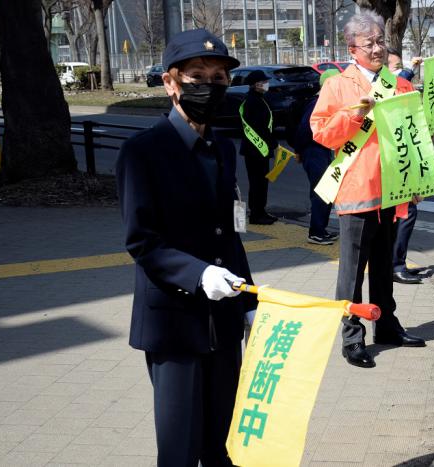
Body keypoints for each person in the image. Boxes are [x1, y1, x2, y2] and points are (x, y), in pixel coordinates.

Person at [115, 29, 257, 467]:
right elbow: (143, 242)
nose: (208, 87)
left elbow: (229, 233)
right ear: (170, 82)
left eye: (218, 79)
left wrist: (249, 298)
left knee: (224, 444)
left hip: (224, 317)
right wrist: (198, 274)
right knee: (178, 450)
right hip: (174, 324)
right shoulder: (143, 153)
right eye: (196, 75)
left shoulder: (224, 148)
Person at [311, 10, 425, 369]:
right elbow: (321, 132)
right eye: (369, 43)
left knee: (383, 267)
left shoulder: (399, 83)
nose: (377, 48)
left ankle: (387, 326)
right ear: (352, 48)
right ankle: (351, 336)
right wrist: (357, 112)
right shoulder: (338, 85)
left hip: (392, 189)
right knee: (352, 272)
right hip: (357, 190)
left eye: (380, 41)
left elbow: (412, 134)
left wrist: (417, 180)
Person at [386, 48, 427, 285]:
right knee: (405, 213)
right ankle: (395, 265)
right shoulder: (387, 90)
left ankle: (396, 262)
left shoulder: (399, 87)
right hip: (393, 164)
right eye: (396, 66)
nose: (401, 71)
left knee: (406, 213)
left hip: (403, 160)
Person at [291, 69, 341, 245]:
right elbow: (304, 130)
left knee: (326, 191)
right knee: (321, 191)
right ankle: (316, 233)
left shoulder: (326, 102)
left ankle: (321, 230)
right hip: (314, 151)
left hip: (321, 150)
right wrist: (299, 151)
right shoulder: (317, 104)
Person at [240, 69, 278, 225]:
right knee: (257, 183)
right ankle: (256, 215)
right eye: (263, 82)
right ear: (256, 85)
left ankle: (261, 211)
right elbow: (259, 127)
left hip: (260, 149)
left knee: (261, 183)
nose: (266, 84)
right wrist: (271, 143)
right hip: (255, 150)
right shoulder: (252, 101)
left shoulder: (259, 99)